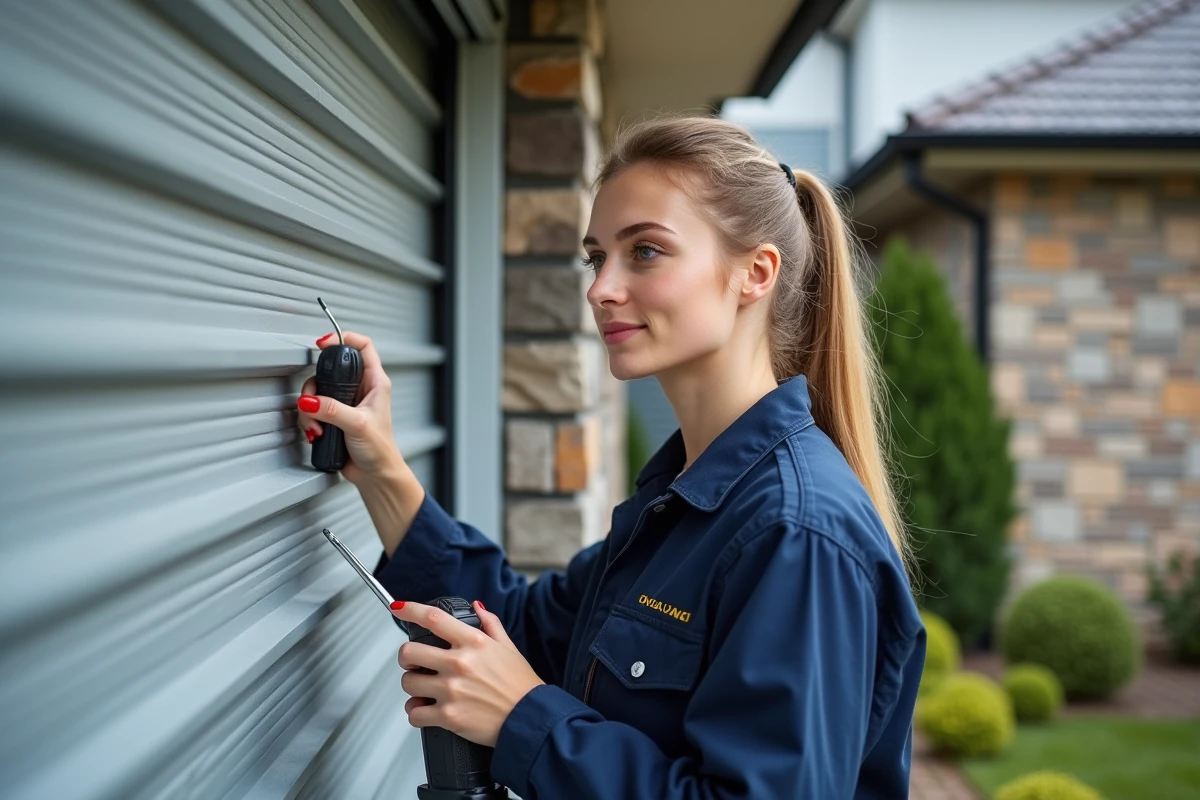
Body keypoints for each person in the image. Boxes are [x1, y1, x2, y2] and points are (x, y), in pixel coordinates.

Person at [296, 115, 926, 799]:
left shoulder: (794, 533)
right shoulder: (685, 504)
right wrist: (380, 465)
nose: (600, 289)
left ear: (755, 273)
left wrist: (524, 720)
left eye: (646, 252)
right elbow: (527, 627)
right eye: (597, 258)